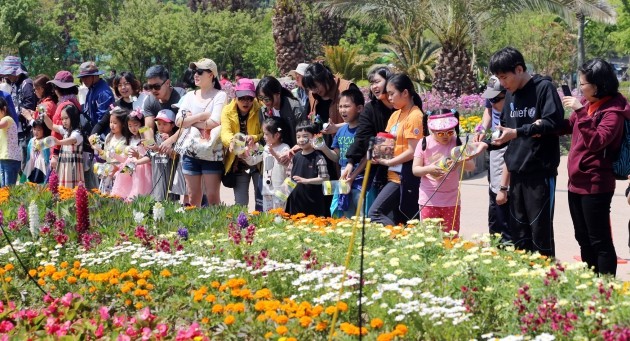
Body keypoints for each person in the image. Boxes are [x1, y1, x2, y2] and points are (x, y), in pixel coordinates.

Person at [480, 47, 564, 257]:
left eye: (504, 77)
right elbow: (506, 134)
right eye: (498, 78)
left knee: (540, 235)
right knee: (519, 237)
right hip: (517, 175)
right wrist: (486, 144)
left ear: (519, 69)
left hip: (539, 175)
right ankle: (524, 284)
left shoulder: (544, 88)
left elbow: (553, 123)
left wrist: (520, 131)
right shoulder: (510, 96)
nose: (503, 83)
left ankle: (546, 283)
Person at [557, 58, 630, 275]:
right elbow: (568, 127)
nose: (580, 88)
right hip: (576, 183)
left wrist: (580, 111)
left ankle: (605, 291)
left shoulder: (614, 111)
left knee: (600, 241)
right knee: (583, 239)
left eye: (583, 84)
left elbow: (597, 141)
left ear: (597, 85)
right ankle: (590, 284)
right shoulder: (590, 105)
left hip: (596, 185)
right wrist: (540, 125)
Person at [162, 58, 226, 207]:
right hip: (190, 152)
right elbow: (178, 121)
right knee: (192, 196)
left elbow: (215, 122)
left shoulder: (220, 95)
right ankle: (195, 228)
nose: (195, 75)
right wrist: (202, 117)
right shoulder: (190, 95)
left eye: (200, 72)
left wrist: (190, 121)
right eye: (194, 72)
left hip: (211, 152)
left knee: (212, 196)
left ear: (211, 75)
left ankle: (218, 228)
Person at [368, 74, 424, 226]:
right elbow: (387, 140)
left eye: (392, 93)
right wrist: (377, 153)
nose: (389, 97)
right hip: (392, 175)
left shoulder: (415, 116)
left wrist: (389, 161)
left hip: (403, 178)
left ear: (405, 93)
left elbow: (413, 151)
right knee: (400, 219)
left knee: (374, 213)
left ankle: (397, 237)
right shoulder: (395, 115)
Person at [412, 110, 477, 233]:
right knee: (429, 238)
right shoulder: (424, 143)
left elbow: (471, 166)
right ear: (432, 130)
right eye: (440, 133)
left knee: (451, 238)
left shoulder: (457, 142)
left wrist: (458, 161)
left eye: (450, 132)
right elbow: (415, 170)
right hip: (429, 199)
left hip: (451, 200)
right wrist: (429, 169)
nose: (446, 136)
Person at [315, 88, 366, 217]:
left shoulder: (364, 131)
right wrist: (323, 148)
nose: (342, 110)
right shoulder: (340, 131)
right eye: (340, 106)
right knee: (345, 217)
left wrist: (353, 176)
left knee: (362, 218)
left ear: (359, 108)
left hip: (361, 182)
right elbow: (337, 157)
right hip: (344, 182)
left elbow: (367, 157)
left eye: (347, 106)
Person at [343, 66, 395, 193]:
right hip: (380, 168)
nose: (374, 87)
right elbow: (362, 137)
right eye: (372, 83)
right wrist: (350, 162)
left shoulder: (404, 106)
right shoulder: (370, 109)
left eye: (377, 82)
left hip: (404, 165)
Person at [221, 78, 263, 210]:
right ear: (235, 96)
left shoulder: (260, 108)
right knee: (240, 204)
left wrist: (254, 137)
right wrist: (231, 141)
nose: (246, 101)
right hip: (238, 164)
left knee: (261, 201)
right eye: (242, 98)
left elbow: (265, 133)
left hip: (258, 161)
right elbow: (225, 133)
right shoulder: (227, 110)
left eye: (250, 98)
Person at [478, 76, 511, 242]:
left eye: (496, 99)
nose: (492, 103)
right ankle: (495, 242)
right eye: (489, 99)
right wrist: (482, 129)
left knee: (502, 198)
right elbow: (488, 111)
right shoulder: (493, 103)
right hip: (495, 147)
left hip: (506, 147)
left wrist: (503, 188)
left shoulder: (513, 114)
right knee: (494, 199)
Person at [77, 61, 115, 189]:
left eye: (86, 77)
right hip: (94, 136)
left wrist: (93, 134)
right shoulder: (91, 89)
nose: (84, 80)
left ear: (95, 76)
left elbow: (104, 117)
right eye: (82, 78)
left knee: (105, 174)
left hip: (103, 136)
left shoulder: (103, 92)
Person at [285, 121, 330, 216]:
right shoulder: (295, 157)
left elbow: (325, 178)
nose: (301, 140)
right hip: (296, 203)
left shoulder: (319, 157)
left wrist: (306, 181)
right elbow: (289, 177)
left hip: (313, 202)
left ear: (314, 137)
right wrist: (282, 192)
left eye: (305, 136)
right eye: (298, 137)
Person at [302, 63, 358, 137]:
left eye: (316, 86)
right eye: (311, 88)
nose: (314, 91)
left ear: (325, 78)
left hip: (345, 142)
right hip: (320, 144)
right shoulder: (313, 95)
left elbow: (361, 119)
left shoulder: (347, 88)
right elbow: (307, 120)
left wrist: (336, 128)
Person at [1, 56, 37, 170]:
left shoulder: (26, 83)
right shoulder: (14, 85)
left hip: (26, 129)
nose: (8, 76)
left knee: (26, 162)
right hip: (17, 130)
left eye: (10, 73)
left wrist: (14, 113)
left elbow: (29, 105)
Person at [111, 108, 152, 200]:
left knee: (139, 188)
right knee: (126, 185)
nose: (133, 128)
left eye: (136, 125)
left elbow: (151, 156)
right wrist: (115, 155)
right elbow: (126, 160)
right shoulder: (131, 139)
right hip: (131, 165)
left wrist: (138, 156)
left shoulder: (146, 137)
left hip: (142, 168)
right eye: (130, 126)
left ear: (141, 124)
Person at [46, 71, 82, 175]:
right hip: (73, 151)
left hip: (63, 152)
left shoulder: (63, 106)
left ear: (58, 89)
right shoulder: (75, 102)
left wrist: (54, 154)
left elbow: (56, 132)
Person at [41, 105, 84, 188]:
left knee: (72, 189)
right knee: (63, 187)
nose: (64, 121)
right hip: (64, 165)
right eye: (62, 119)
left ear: (73, 117)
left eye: (66, 118)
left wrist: (58, 142)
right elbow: (51, 126)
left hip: (72, 167)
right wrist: (44, 115)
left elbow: (72, 140)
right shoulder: (66, 130)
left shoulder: (77, 132)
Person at [256, 76, 304, 148]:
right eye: (260, 98)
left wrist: (294, 150)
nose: (264, 101)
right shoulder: (263, 111)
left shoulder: (294, 108)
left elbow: (305, 134)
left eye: (267, 98)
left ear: (278, 94)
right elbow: (265, 138)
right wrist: (255, 146)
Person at [91, 107, 130, 194]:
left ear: (123, 124)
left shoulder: (126, 139)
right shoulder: (109, 136)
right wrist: (99, 149)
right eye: (110, 122)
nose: (112, 125)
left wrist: (115, 156)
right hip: (107, 172)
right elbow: (106, 156)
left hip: (119, 174)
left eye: (115, 123)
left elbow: (125, 159)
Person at [142, 65, 187, 141]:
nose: (153, 90)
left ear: (167, 83)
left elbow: (186, 125)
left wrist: (170, 141)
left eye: (156, 86)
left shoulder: (182, 96)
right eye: (150, 87)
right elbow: (147, 127)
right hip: (160, 143)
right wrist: (150, 144)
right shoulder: (149, 100)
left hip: (181, 142)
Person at [92, 71, 143, 136]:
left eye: (126, 83)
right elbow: (102, 124)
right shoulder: (114, 106)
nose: (123, 87)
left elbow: (149, 126)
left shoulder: (144, 100)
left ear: (133, 84)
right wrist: (92, 136)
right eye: (120, 85)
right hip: (123, 144)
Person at [149, 109, 182, 202]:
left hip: (171, 178)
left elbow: (177, 157)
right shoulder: (154, 138)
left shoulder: (175, 139)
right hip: (157, 176)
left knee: (172, 203)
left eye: (165, 124)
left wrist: (169, 147)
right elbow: (144, 129)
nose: (161, 127)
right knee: (157, 201)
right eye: (159, 124)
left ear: (172, 125)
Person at [259, 117, 291, 211]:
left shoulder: (285, 148)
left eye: (266, 134)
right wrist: (246, 154)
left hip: (280, 190)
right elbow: (254, 160)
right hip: (267, 189)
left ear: (277, 135)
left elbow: (286, 165)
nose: (264, 136)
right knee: (268, 217)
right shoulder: (265, 147)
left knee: (279, 216)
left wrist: (274, 153)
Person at [0, 97, 22, 187]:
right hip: (4, 158)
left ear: (4, 109)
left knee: (9, 188)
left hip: (10, 158)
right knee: (4, 188)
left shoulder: (7, 119)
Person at [21, 119, 51, 184]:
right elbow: (28, 155)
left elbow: (47, 156)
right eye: (34, 129)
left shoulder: (46, 141)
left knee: (40, 183)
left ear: (44, 130)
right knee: (29, 183)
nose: (36, 132)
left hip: (41, 166)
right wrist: (27, 164)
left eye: (39, 130)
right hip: (31, 165)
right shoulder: (31, 141)